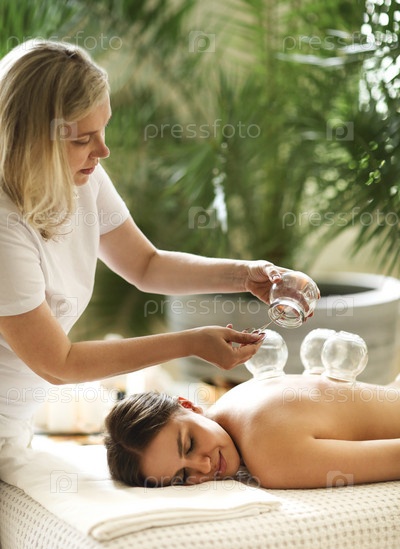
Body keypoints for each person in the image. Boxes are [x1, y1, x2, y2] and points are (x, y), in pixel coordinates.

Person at [0, 39, 313, 450]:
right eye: (83, 139)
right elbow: (60, 364)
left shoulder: (81, 178)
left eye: (103, 129)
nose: (103, 150)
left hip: (14, 426)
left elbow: (146, 265)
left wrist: (244, 275)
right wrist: (190, 343)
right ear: (29, 141)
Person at [104, 374, 400, 489]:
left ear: (188, 405)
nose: (203, 467)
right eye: (182, 476)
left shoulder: (268, 454)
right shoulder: (236, 398)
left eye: (190, 444)